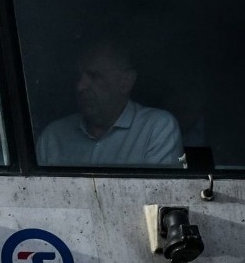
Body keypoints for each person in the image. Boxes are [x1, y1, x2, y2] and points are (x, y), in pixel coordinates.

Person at [36, 36, 183, 166]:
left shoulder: (156, 129)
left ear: (125, 82)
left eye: (94, 76)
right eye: (78, 77)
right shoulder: (53, 137)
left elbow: (159, 196)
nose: (80, 86)